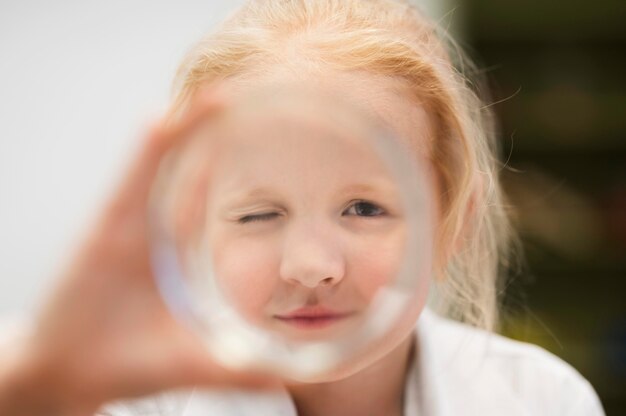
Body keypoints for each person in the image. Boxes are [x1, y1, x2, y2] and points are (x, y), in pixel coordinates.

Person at [0, 1, 605, 415]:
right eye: (258, 215)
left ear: (451, 225)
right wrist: (37, 384)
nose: (311, 265)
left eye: (365, 208)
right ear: (191, 232)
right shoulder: (130, 402)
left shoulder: (539, 399)